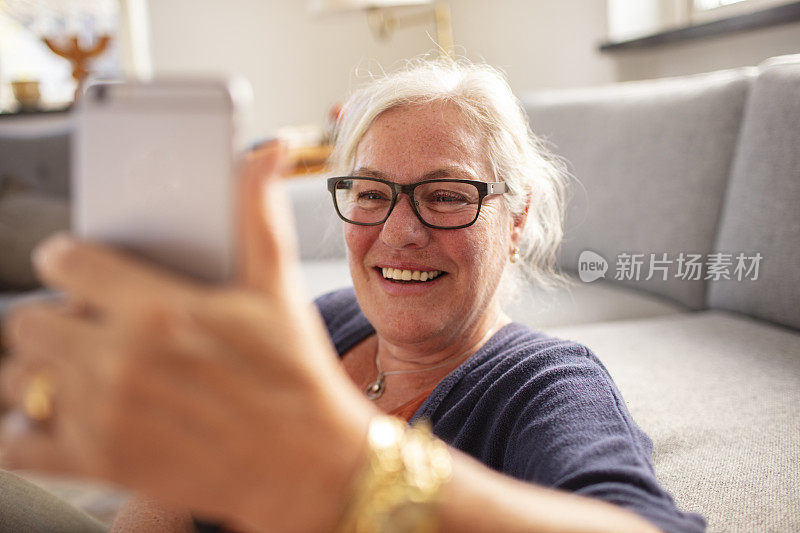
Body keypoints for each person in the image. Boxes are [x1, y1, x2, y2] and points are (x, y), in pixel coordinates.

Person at [0, 59, 706, 533]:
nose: (399, 231)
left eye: (445, 195)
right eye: (371, 193)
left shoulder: (544, 383)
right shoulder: (334, 320)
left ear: (515, 218)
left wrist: (349, 472)